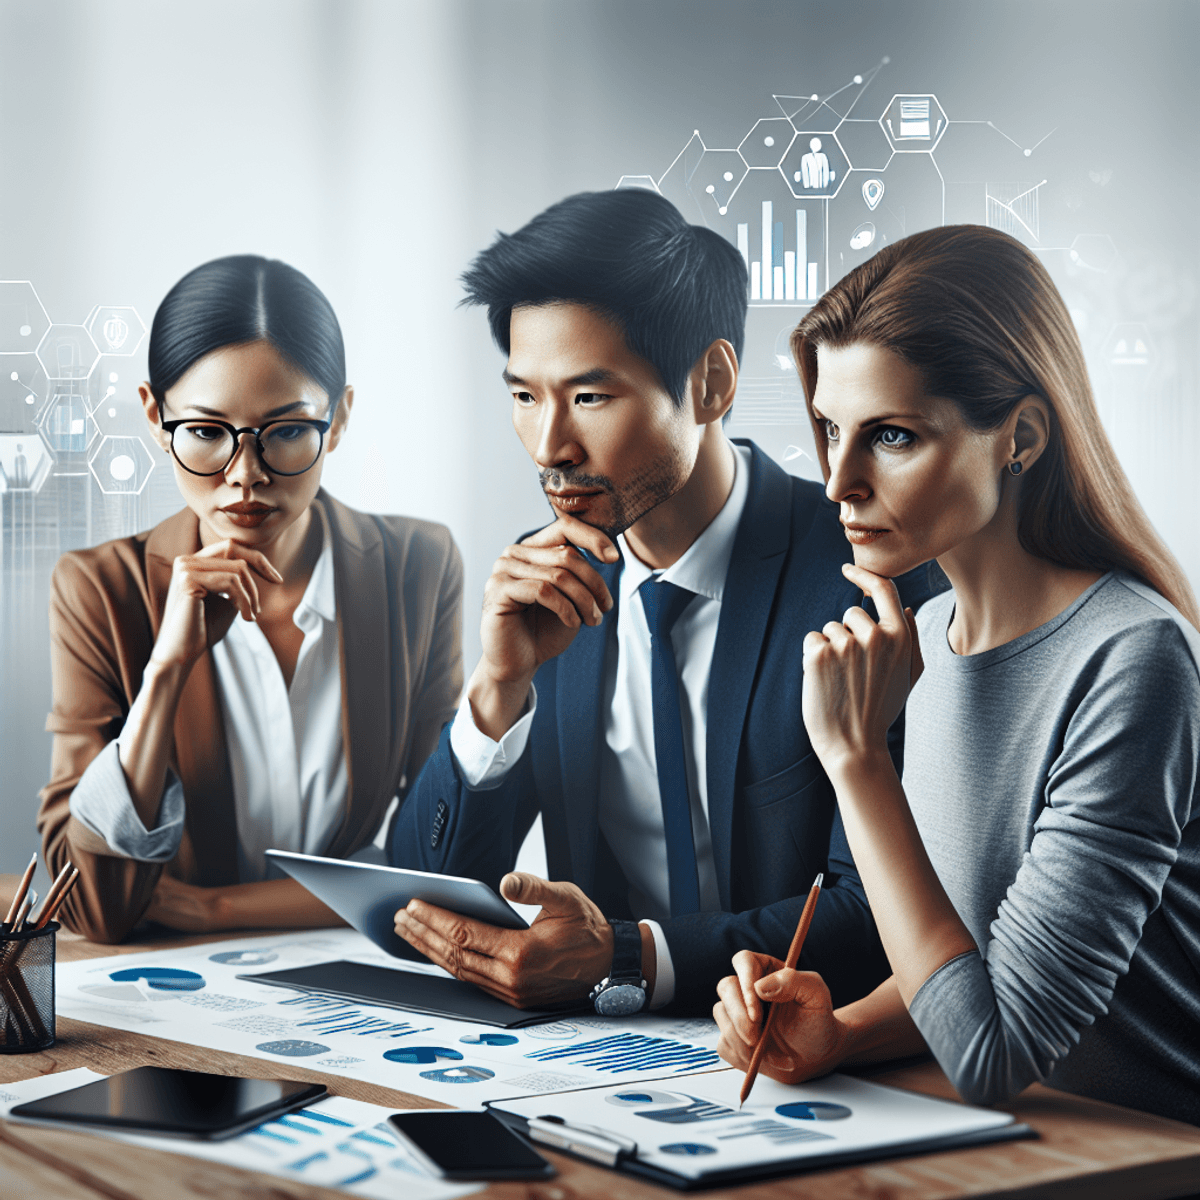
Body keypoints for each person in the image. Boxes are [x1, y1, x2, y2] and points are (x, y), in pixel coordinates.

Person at [388, 189, 942, 1014]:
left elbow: (892, 920)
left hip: (822, 1059)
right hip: (593, 1067)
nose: (549, 447)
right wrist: (496, 692)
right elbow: (419, 911)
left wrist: (627, 957)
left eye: (589, 397)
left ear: (710, 382)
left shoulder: (870, 578)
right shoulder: (551, 588)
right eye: (523, 396)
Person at [713, 225, 1200, 1125]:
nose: (839, 483)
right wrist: (842, 1034)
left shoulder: (1135, 656)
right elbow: (988, 970)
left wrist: (854, 761)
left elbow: (993, 1050)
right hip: (1023, 1144)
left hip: (1148, 1155)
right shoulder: (926, 636)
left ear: (1019, 436)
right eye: (830, 429)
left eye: (892, 436)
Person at [38, 256, 463, 943]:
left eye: (287, 431)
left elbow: (440, 867)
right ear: (154, 416)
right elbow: (94, 906)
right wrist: (166, 671)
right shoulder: (99, 589)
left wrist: (218, 910)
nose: (245, 477)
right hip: (166, 997)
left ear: (340, 417)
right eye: (206, 432)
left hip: (358, 978)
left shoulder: (416, 566)